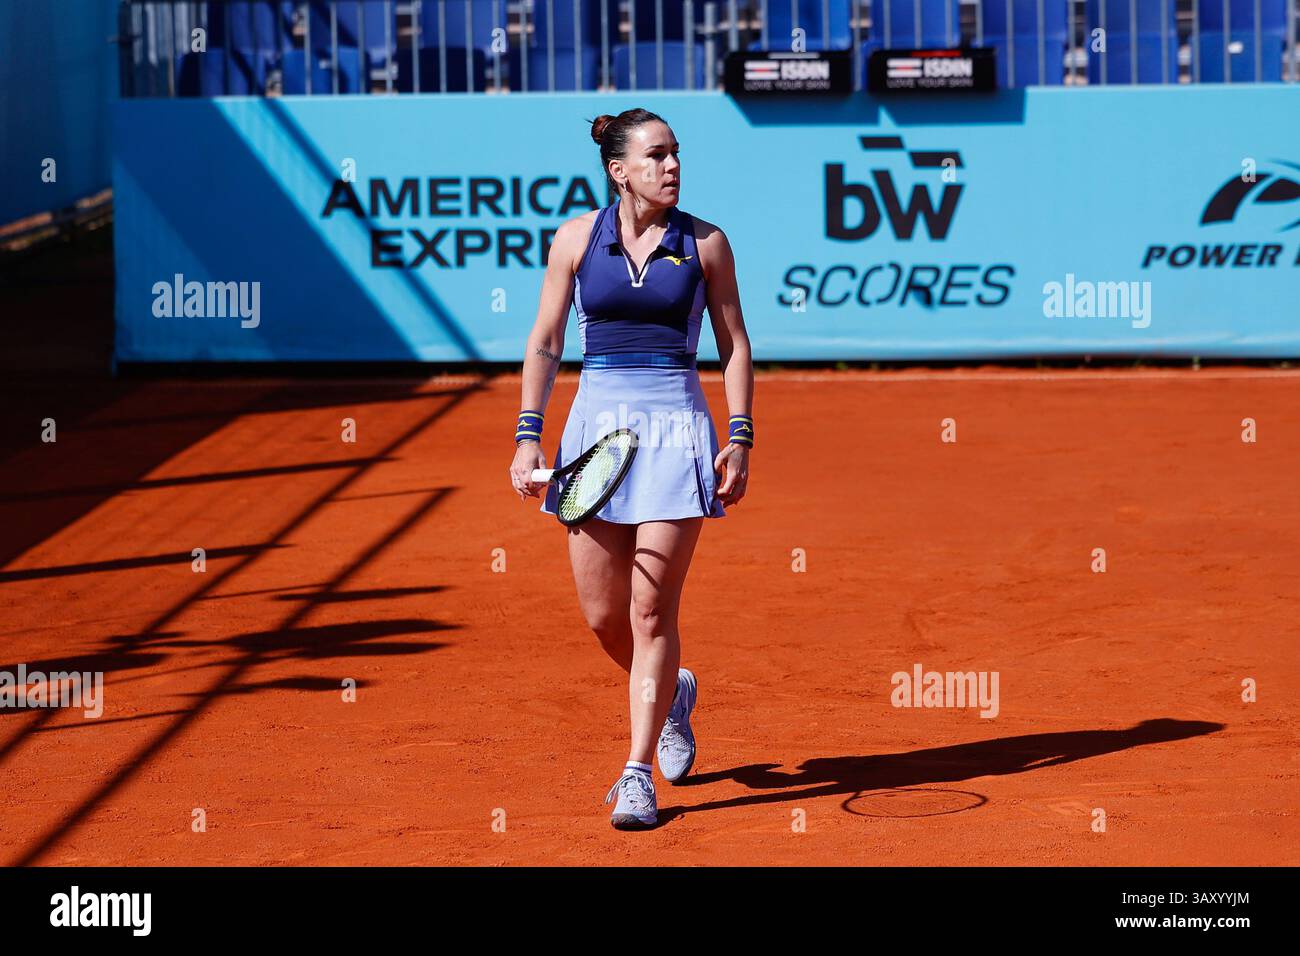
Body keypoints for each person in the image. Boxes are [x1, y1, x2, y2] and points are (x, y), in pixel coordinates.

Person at [509, 108, 754, 830]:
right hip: (595, 435)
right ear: (619, 170)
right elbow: (547, 341)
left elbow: (734, 343)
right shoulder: (575, 240)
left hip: (676, 432)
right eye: (656, 156)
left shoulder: (706, 244)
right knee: (603, 617)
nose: (672, 166)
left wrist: (738, 434)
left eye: (676, 154)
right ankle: (673, 693)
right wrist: (530, 436)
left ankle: (636, 771)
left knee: (652, 610)